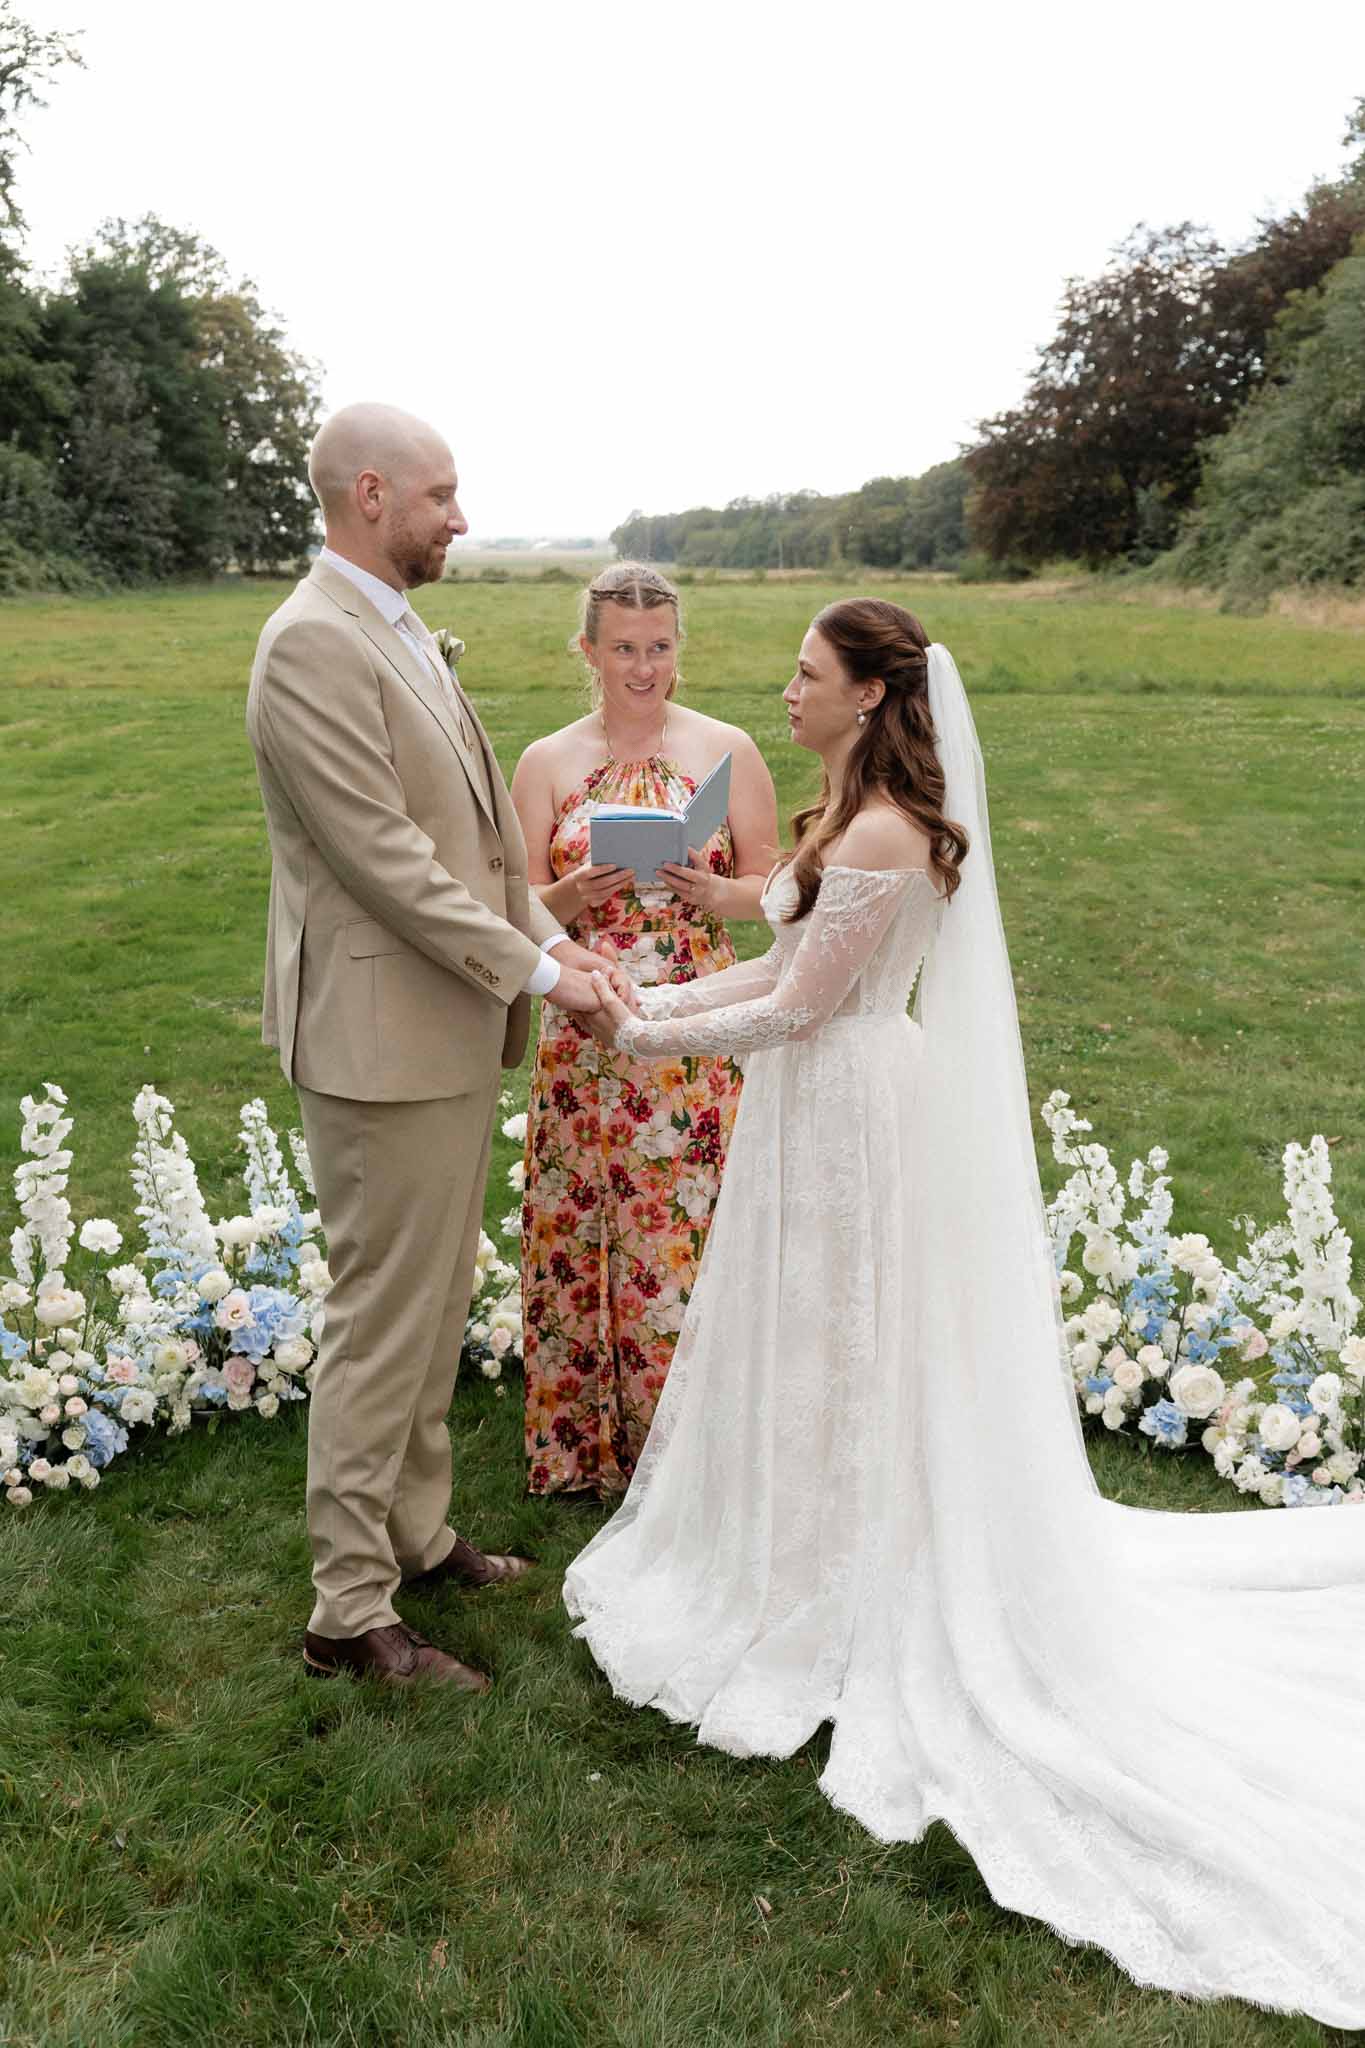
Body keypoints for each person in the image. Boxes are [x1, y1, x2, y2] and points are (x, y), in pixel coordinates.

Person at [565, 598, 1365, 2027]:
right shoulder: (849, 817)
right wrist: (668, 999)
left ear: (871, 696)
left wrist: (637, 1028)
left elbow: (804, 1009)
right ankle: (800, 1535)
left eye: (806, 676)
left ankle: (846, 1572)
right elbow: (770, 967)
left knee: (845, 1342)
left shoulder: (879, 839)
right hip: (821, 1094)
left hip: (847, 1105)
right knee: (806, 1342)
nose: (785, 692)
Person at [246, 403, 634, 1691]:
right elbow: (390, 861)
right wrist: (536, 965)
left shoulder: (395, 630)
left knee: (432, 1306)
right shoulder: (311, 643)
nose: (461, 519)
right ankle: (348, 1608)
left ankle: (415, 1530)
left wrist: (551, 945)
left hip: (448, 1026)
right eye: (443, 496)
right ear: (371, 495)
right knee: (381, 1317)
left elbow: (475, 846)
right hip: (379, 1036)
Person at [510, 562, 778, 1496]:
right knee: (588, 1217)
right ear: (587, 650)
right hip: (588, 1013)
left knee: (683, 1220)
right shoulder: (547, 760)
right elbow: (505, 904)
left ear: (679, 647)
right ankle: (586, 1449)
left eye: (658, 648)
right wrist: (566, 893)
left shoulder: (726, 749)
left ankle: (690, 1447)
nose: (642, 667)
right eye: (623, 648)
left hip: (696, 1024)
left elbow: (775, 892)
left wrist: (718, 891)